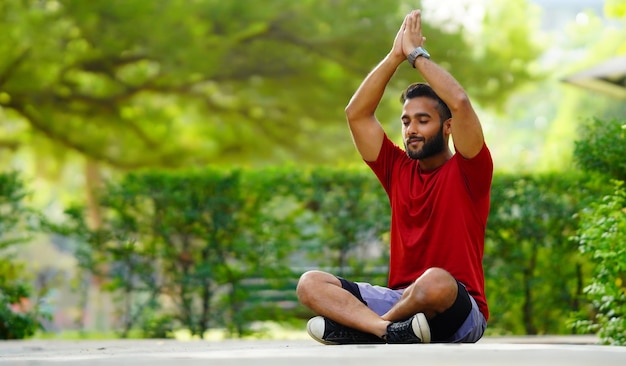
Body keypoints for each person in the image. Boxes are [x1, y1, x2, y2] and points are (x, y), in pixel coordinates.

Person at [296, 9, 493, 344]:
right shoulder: (397, 168)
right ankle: (385, 331)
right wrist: (394, 55)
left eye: (422, 120)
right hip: (401, 301)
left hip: (457, 308)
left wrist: (416, 55)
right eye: (405, 121)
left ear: (448, 127)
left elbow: (458, 101)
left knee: (435, 282)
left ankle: (368, 327)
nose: (411, 129)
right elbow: (356, 114)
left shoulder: (469, 169)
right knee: (310, 283)